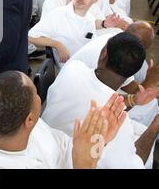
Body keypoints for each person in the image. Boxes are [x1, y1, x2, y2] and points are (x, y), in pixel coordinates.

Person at [0, 70, 127, 169]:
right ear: (29, 119)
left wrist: (98, 141)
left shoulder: (13, 122)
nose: (39, 96)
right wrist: (84, 165)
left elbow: (63, 148)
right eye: (35, 93)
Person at [42, 33, 159, 168]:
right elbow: (134, 165)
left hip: (45, 141)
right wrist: (154, 127)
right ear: (133, 73)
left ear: (103, 53)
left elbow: (99, 95)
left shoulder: (73, 67)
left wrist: (133, 100)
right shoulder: (118, 126)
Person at [29, 0, 100, 65]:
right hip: (68, 67)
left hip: (86, 64)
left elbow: (91, 45)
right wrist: (57, 44)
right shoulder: (58, 14)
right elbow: (30, 36)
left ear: (95, 0)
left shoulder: (90, 18)